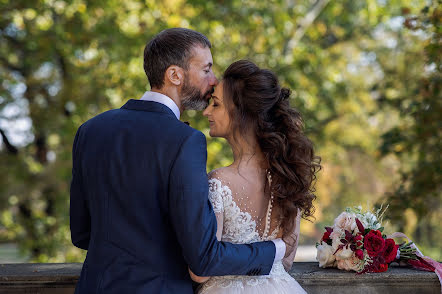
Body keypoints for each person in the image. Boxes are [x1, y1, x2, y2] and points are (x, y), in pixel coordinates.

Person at [70, 28, 290, 293]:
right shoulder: (185, 141)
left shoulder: (90, 130)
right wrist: (275, 248)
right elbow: (203, 256)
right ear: (175, 75)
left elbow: (81, 233)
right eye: (206, 69)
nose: (213, 80)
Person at [191, 60, 321, 293]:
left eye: (216, 104)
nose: (206, 111)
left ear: (241, 113)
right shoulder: (288, 175)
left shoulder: (218, 182)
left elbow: (203, 268)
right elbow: (287, 261)